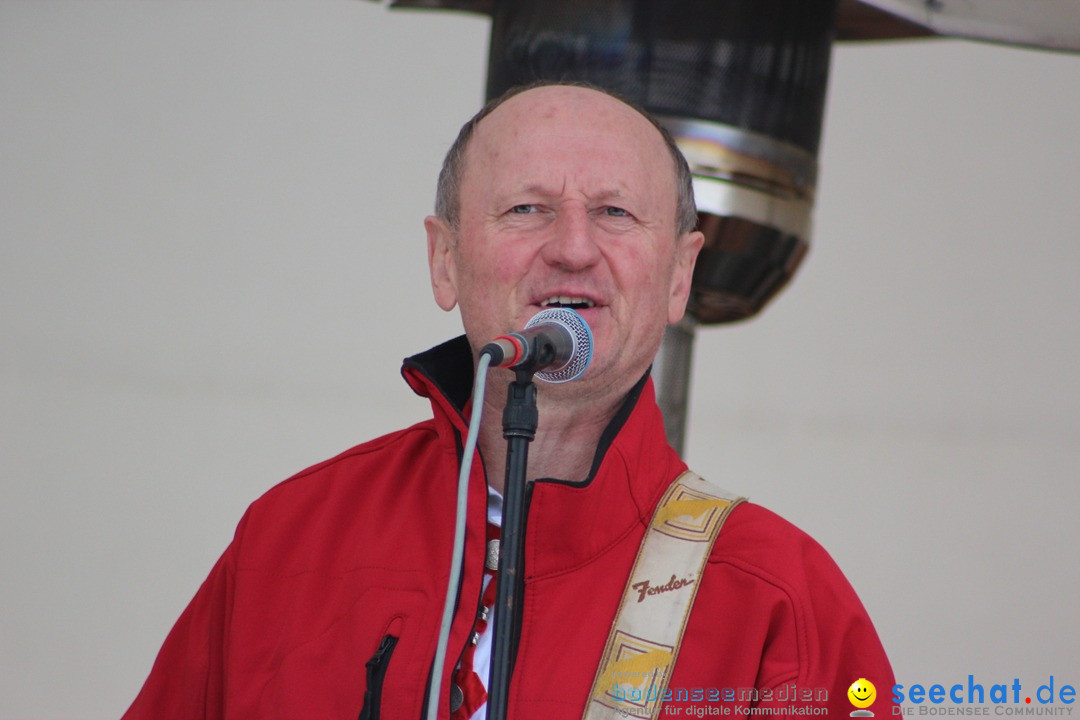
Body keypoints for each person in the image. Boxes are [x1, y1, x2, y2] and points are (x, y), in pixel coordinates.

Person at [124, 83, 894, 719]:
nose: (572, 247)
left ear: (679, 277)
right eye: (526, 208)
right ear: (446, 259)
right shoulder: (289, 540)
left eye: (615, 212)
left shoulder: (778, 598)